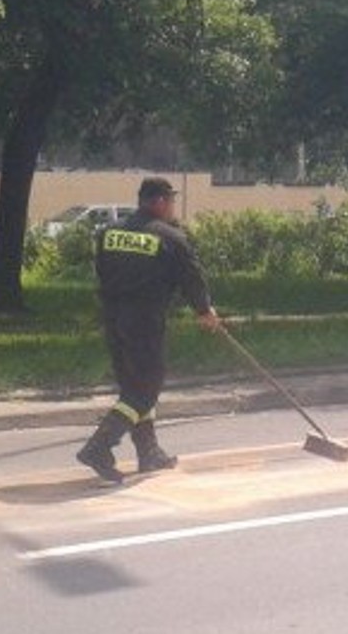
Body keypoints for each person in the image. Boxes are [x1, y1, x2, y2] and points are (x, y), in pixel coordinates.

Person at [77, 177, 221, 484]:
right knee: (146, 389)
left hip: (113, 318)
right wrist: (204, 311)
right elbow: (192, 278)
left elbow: (101, 272)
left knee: (133, 385)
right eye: (169, 201)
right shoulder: (170, 237)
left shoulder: (108, 233)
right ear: (158, 202)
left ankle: (149, 452)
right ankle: (99, 447)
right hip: (144, 321)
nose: (171, 207)